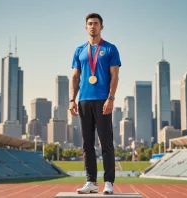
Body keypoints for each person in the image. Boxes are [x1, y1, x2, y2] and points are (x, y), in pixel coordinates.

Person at [69, 13, 121, 194]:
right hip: (83, 100)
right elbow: (75, 77)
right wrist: (71, 100)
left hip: (102, 100)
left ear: (101, 27)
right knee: (87, 143)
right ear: (86, 27)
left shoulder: (110, 49)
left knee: (106, 142)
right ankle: (90, 181)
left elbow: (115, 75)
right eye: (90, 24)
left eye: (96, 24)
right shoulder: (79, 50)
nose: (93, 26)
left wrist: (111, 98)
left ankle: (108, 182)